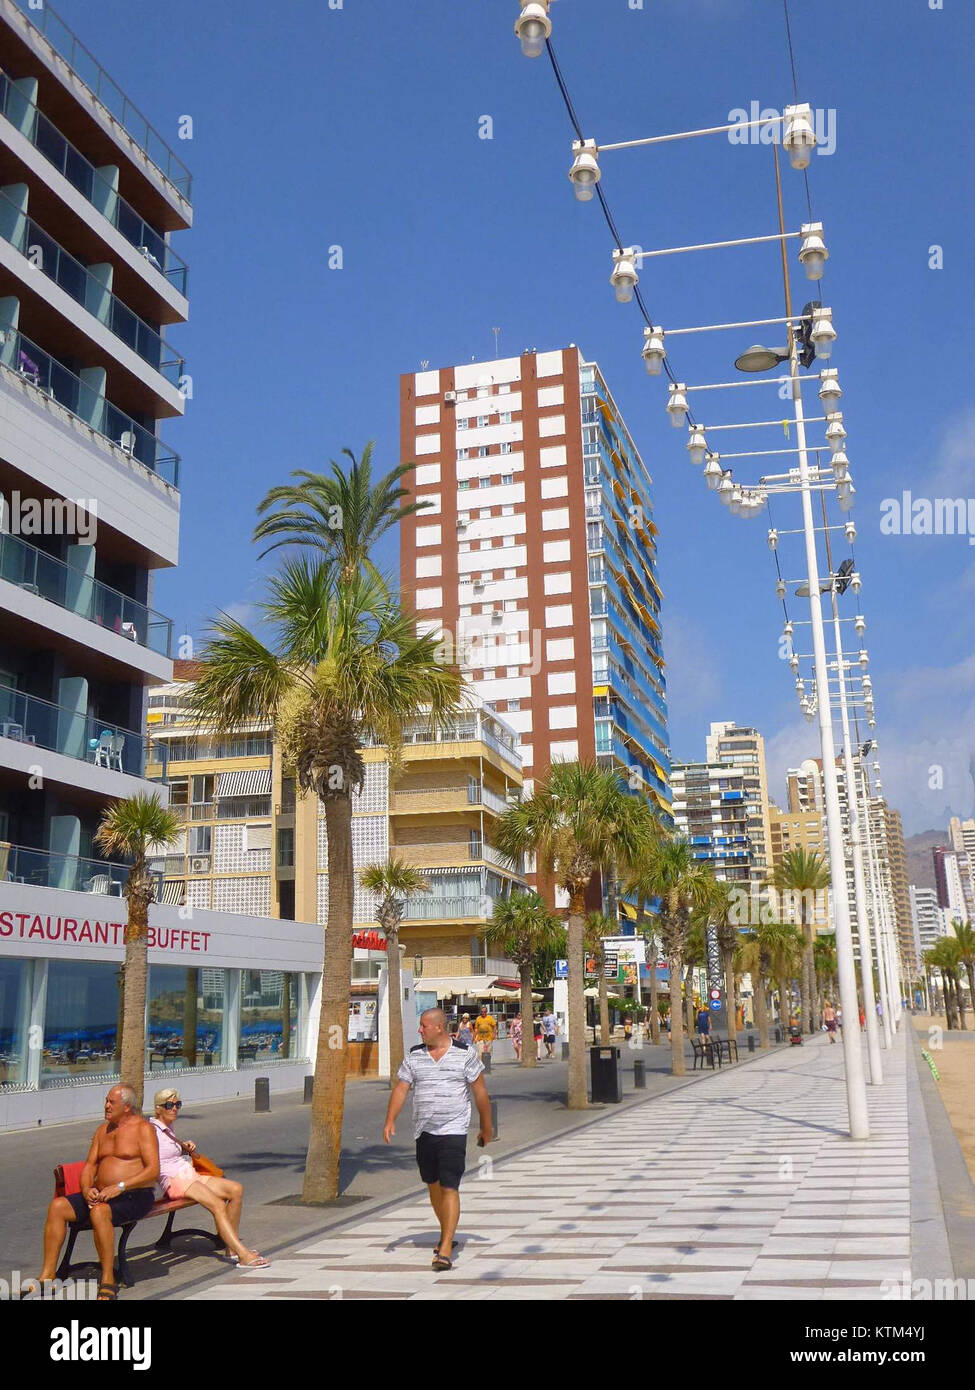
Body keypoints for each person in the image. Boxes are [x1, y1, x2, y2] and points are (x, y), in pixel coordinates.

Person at [383, 1007, 493, 1271]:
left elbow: (480, 1092)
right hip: (424, 1131)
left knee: (449, 1186)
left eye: (423, 1026)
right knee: (432, 1184)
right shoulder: (415, 1056)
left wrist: (485, 1126)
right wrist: (390, 1119)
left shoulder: (464, 1054)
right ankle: (447, 1232)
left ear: (438, 1027)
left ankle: (445, 1248)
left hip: (454, 1130)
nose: (420, 1030)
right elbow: (401, 1088)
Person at [34, 1084, 159, 1302]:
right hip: (102, 1194)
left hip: (135, 1195)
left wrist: (119, 1186)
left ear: (127, 1107)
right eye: (106, 1100)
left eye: (112, 1102)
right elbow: (90, 1166)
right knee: (58, 1207)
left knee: (100, 1212)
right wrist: (86, 1189)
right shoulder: (103, 1130)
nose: (106, 1105)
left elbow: (153, 1171)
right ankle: (47, 1276)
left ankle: (108, 1279)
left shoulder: (144, 1130)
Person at [149, 1087, 269, 1268]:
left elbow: (167, 1152)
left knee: (235, 1189)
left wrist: (184, 1146)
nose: (174, 1108)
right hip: (175, 1180)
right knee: (218, 1205)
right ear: (158, 1108)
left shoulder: (167, 1127)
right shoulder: (151, 1130)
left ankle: (230, 1247)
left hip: (188, 1175)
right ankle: (243, 1254)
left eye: (177, 1104)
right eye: (169, 1105)